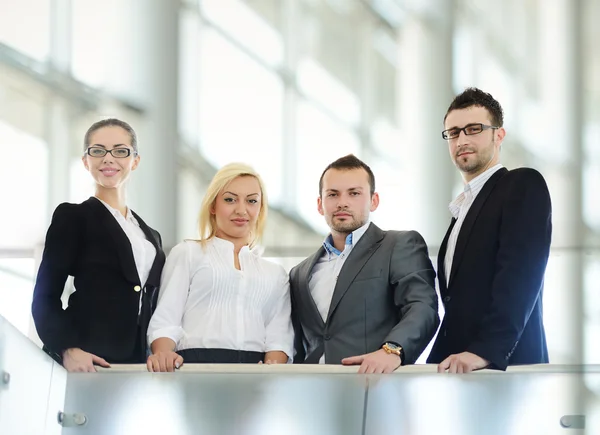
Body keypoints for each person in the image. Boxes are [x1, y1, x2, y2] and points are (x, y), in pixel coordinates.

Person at [427, 87, 552, 373]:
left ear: (499, 135)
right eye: (454, 132)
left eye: (474, 129)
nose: (462, 139)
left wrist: (485, 352)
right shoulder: (461, 212)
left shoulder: (521, 185)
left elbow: (520, 276)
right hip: (457, 368)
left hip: (502, 368)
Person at [32, 118, 166, 372]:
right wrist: (68, 349)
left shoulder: (151, 236)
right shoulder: (73, 217)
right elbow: (45, 295)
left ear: (135, 160)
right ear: (86, 161)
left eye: (120, 150)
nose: (108, 158)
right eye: (98, 150)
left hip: (138, 362)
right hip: (88, 358)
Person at [289, 154, 439, 374]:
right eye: (333, 194)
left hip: (375, 384)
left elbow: (422, 307)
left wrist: (392, 350)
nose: (342, 202)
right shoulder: (299, 274)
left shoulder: (399, 245)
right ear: (320, 204)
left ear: (373, 200)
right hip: (314, 390)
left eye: (354, 193)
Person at [146, 163, 293, 372]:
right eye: (230, 199)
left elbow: (279, 335)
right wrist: (162, 354)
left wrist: (271, 370)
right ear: (213, 205)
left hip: (256, 373)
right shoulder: (188, 253)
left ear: (260, 209)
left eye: (251, 201)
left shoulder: (276, 274)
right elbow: (166, 319)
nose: (241, 210)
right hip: (194, 367)